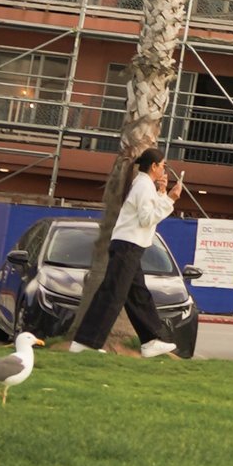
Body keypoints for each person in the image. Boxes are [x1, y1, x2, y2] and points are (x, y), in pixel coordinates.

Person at [70, 145, 185, 354]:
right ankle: (85, 342)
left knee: (138, 295)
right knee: (112, 295)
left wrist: (161, 194)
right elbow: (147, 219)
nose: (164, 170)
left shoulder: (145, 185)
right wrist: (171, 199)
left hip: (131, 247)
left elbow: (148, 214)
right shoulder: (143, 186)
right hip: (127, 246)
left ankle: (151, 341)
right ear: (153, 166)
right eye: (162, 166)